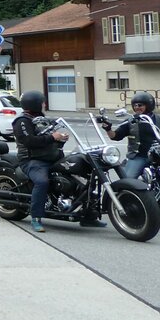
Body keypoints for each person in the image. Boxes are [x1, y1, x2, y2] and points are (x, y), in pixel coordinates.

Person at [12, 90, 90, 233]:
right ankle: (36, 218)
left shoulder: (42, 119)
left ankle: (89, 216)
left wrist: (61, 138)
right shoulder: (22, 121)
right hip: (32, 161)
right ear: (34, 103)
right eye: (42, 102)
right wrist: (53, 137)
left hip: (53, 158)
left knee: (82, 174)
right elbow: (29, 141)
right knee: (42, 182)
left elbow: (51, 137)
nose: (44, 104)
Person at [97, 91, 160, 180]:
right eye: (135, 105)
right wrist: (108, 129)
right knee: (128, 181)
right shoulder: (130, 121)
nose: (137, 107)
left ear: (148, 105)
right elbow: (115, 136)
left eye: (140, 105)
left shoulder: (158, 119)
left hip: (157, 156)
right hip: (138, 157)